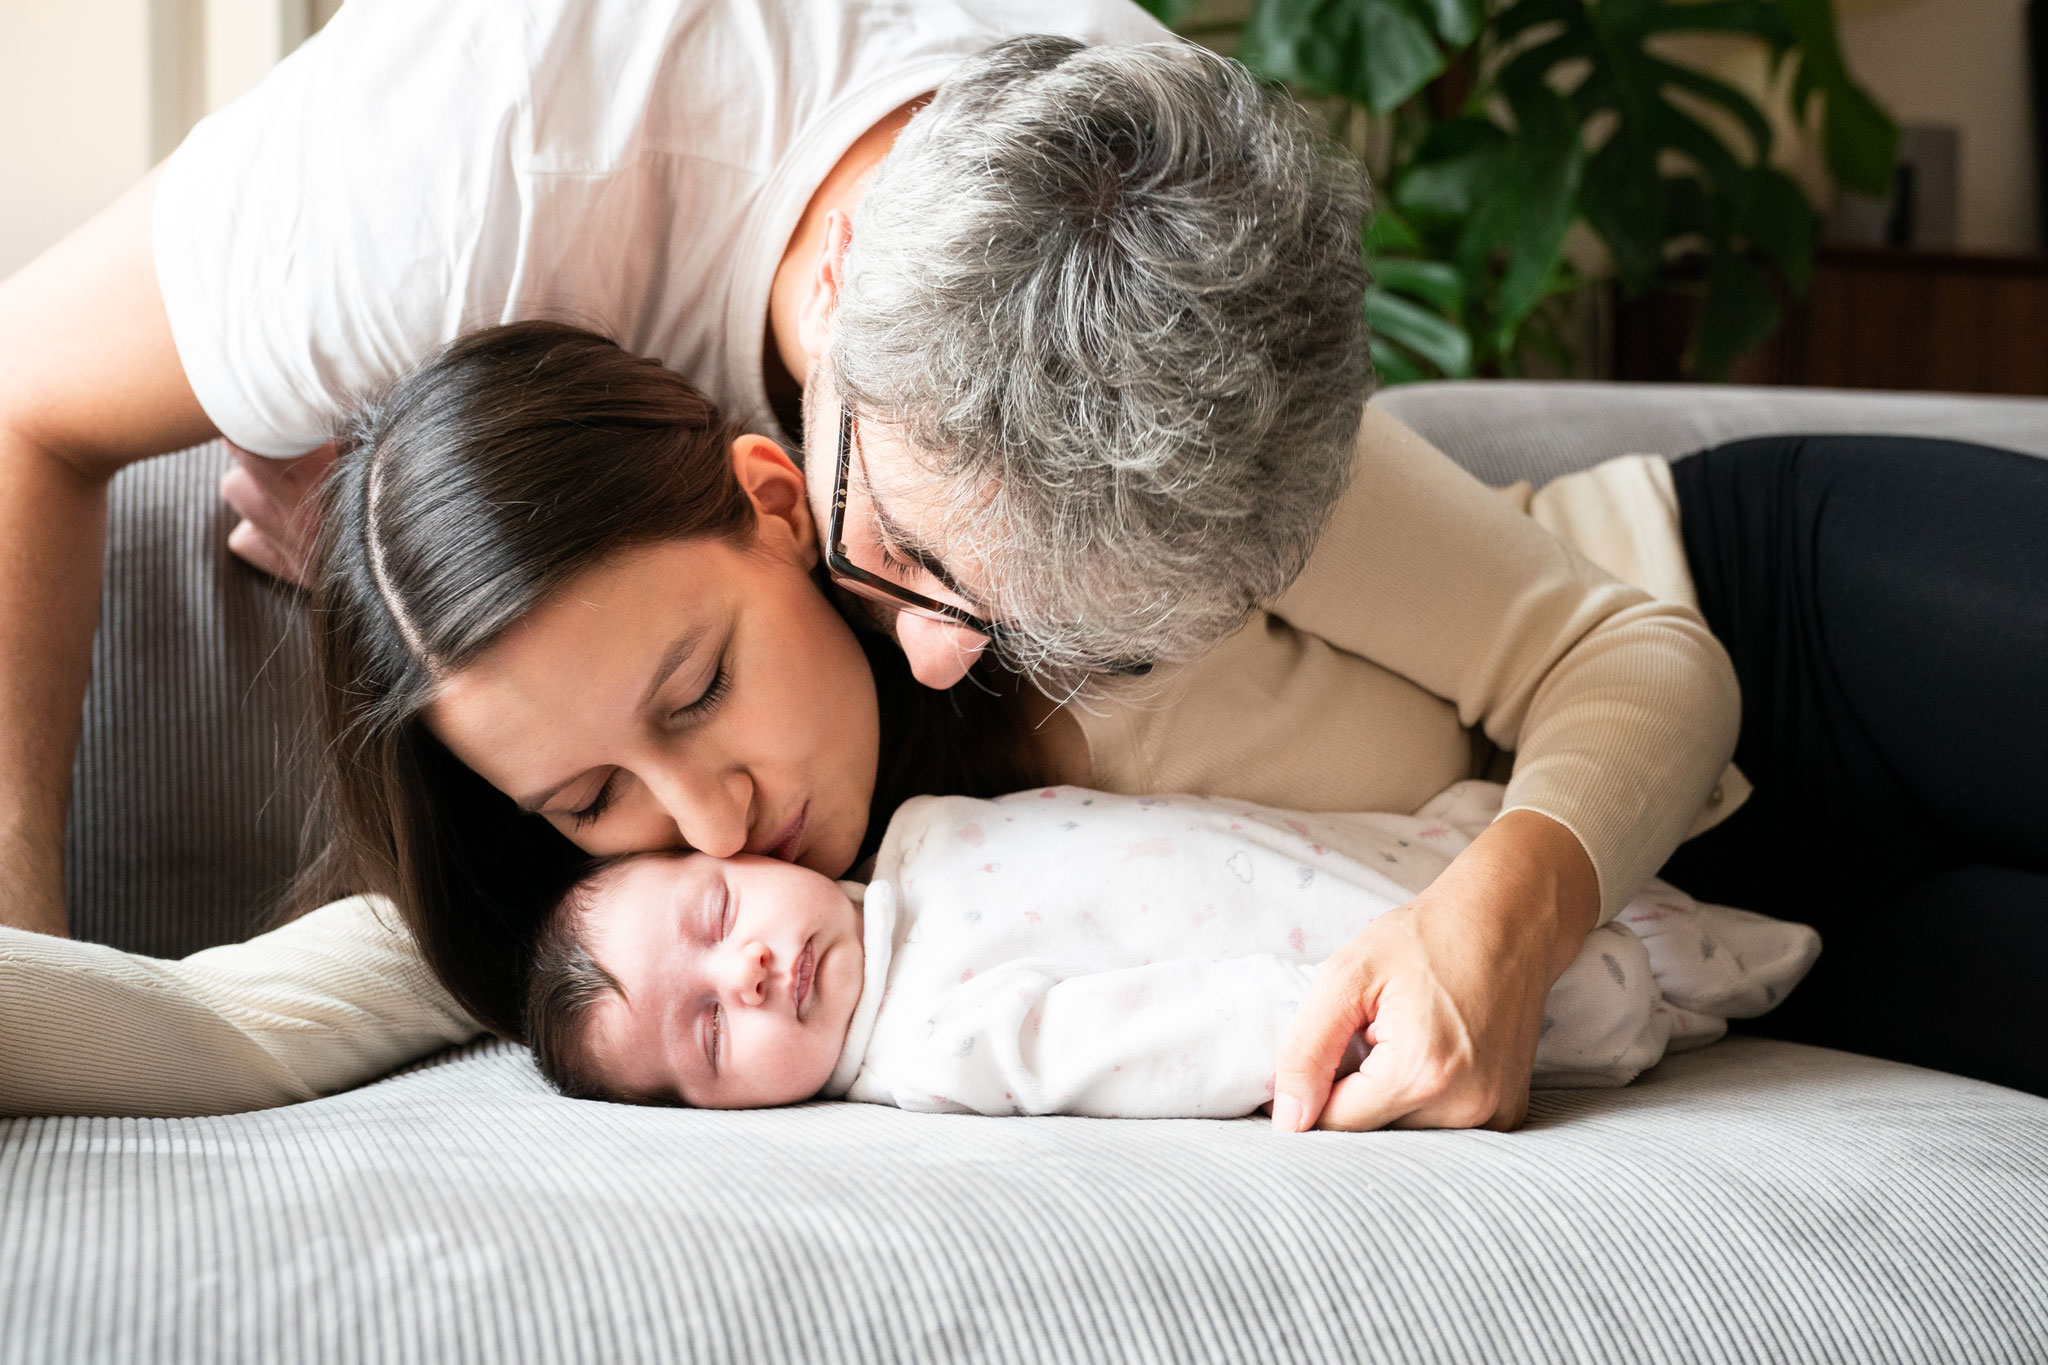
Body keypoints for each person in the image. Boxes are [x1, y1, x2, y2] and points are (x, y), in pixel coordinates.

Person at [2, 2, 1750, 1134]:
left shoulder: (1122, 315)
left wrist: (1507, 914)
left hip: (1741, 630)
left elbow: (1609, 641)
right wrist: (420, 586)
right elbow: (241, 1019)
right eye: (588, 792)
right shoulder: (661, 928)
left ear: (766, 488)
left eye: (695, 695)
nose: (705, 830)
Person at [524, 783, 1819, 1115]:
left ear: (734, 857)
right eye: (706, 1033)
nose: (743, 971)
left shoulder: (918, 837)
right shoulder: (935, 1044)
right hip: (1399, 989)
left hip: (1411, 857)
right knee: (1662, 977)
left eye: (711, 917)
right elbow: (1161, 1042)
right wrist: (1339, 1021)